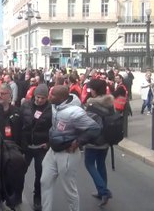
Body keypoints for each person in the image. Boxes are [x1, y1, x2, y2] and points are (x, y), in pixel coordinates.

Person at [40, 85, 101, 211]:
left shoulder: (75, 112)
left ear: (61, 98)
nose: (49, 96)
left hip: (67, 153)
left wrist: (78, 142)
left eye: (52, 95)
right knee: (44, 182)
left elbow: (95, 128)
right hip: (53, 151)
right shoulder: (54, 105)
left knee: (69, 189)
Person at [20, 84, 52, 211]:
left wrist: (49, 143)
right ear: (34, 96)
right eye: (38, 97)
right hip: (26, 146)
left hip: (41, 147)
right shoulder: (26, 105)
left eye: (42, 98)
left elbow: (53, 129)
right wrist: (21, 142)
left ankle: (37, 197)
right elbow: (20, 124)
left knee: (40, 174)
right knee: (20, 171)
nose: (39, 100)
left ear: (47, 98)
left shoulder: (51, 109)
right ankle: (17, 194)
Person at [84, 79, 115, 207]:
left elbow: (87, 123)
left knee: (89, 164)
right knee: (101, 165)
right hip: (106, 139)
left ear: (95, 90)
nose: (89, 91)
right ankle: (101, 192)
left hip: (94, 140)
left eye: (91, 88)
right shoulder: (109, 103)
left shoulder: (92, 105)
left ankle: (104, 191)